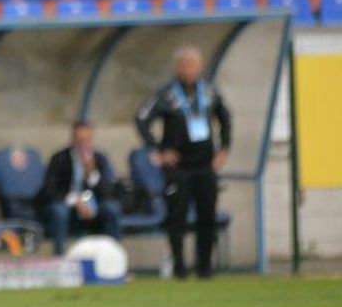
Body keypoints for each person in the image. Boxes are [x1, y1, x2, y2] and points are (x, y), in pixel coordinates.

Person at [135, 47, 231, 280]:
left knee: (206, 216)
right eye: (184, 64)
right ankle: (179, 268)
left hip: (205, 165)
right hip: (178, 168)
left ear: (199, 67)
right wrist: (159, 149)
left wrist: (224, 148)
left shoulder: (208, 92)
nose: (189, 69)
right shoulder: (166, 94)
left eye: (193, 64)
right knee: (176, 217)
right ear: (177, 68)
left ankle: (204, 268)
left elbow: (225, 118)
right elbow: (141, 119)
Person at [42, 120, 122, 256]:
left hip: (94, 205)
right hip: (67, 204)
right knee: (59, 212)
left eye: (87, 140)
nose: (83, 145)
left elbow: (108, 191)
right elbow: (50, 190)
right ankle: (60, 257)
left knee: (112, 209)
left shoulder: (100, 159)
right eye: (80, 140)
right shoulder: (59, 159)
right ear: (72, 140)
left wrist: (92, 173)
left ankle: (114, 257)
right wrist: (75, 201)